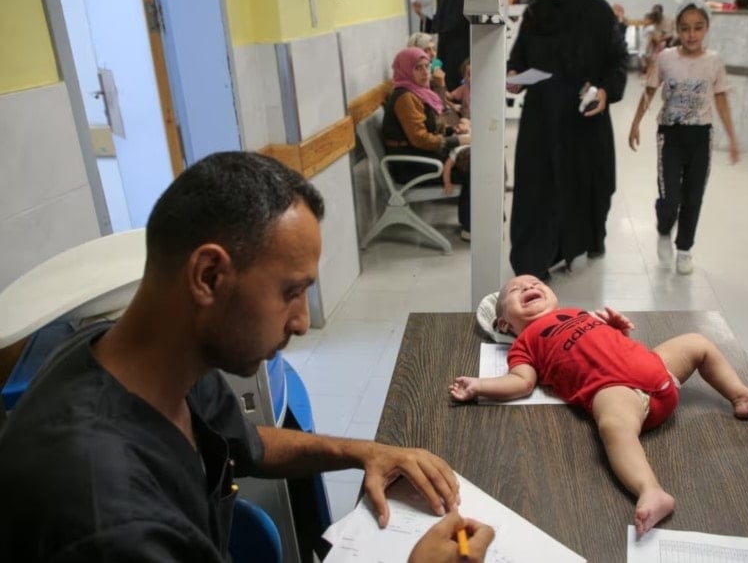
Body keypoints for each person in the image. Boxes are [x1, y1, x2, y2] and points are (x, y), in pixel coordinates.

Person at [0, 151, 494, 561]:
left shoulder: (148, 356)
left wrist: (365, 452)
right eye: (290, 292)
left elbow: (242, 444)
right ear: (210, 276)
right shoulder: (109, 518)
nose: (301, 322)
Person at [449, 275, 748, 536]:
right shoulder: (524, 344)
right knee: (613, 426)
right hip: (617, 391)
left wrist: (616, 328)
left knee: (696, 342)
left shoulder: (577, 312)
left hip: (654, 365)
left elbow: (612, 345)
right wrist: (481, 386)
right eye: (515, 290)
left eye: (536, 282)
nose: (528, 285)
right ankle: (650, 490)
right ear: (505, 324)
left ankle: (740, 394)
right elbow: (521, 382)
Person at [506, 0, 629, 280]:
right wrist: (513, 76)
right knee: (537, 188)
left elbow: (617, 61)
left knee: (590, 185)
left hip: (583, 116)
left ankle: (586, 239)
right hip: (541, 120)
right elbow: (518, 60)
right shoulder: (534, 15)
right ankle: (535, 259)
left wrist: (606, 91)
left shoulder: (597, 12)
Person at [628, 0, 740, 275]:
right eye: (686, 28)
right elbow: (650, 91)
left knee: (693, 196)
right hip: (670, 135)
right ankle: (664, 229)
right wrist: (636, 123)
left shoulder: (714, 61)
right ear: (677, 28)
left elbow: (722, 98)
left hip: (701, 136)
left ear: (706, 29)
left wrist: (732, 138)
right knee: (669, 197)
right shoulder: (666, 57)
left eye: (698, 28)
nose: (692, 34)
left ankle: (685, 248)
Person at [383, 47, 472, 238]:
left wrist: (453, 130)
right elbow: (420, 139)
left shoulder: (418, 93)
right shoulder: (405, 97)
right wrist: (456, 140)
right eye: (417, 68)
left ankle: (477, 221)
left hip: (422, 156)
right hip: (412, 165)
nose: (425, 72)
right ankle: (471, 227)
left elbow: (430, 127)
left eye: (427, 66)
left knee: (477, 156)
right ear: (406, 70)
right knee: (474, 164)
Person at [412, 0, 470, 91]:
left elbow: (449, 25)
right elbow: (441, 26)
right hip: (447, 54)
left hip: (463, 55)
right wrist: (420, 14)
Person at [407, 31, 462, 127]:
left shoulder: (431, 71)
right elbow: (440, 108)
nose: (432, 54)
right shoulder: (415, 79)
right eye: (426, 50)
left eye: (433, 49)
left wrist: (452, 105)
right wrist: (440, 84)